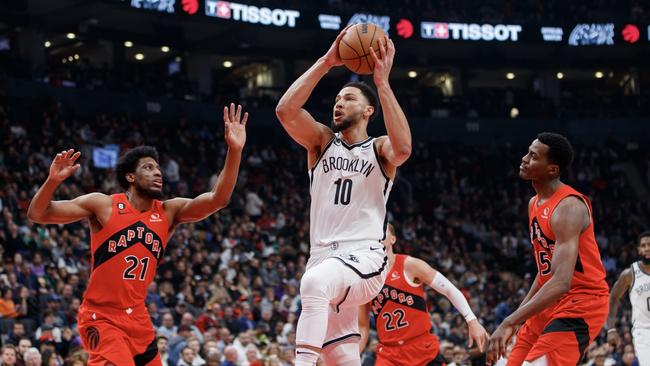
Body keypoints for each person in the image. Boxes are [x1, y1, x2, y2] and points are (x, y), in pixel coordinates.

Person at [27, 104, 249, 366]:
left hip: (139, 318)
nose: (158, 173)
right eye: (148, 168)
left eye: (158, 169)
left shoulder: (168, 212)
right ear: (130, 176)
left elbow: (218, 199)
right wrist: (52, 181)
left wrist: (234, 151)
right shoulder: (103, 205)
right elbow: (38, 214)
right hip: (102, 316)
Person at [275, 25, 412, 366]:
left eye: (348, 98)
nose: (339, 103)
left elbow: (404, 148)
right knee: (342, 356)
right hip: (323, 256)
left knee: (315, 282)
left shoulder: (378, 148)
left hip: (365, 257)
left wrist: (382, 84)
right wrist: (326, 61)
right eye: (336, 99)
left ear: (369, 111)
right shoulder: (321, 141)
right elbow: (285, 111)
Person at [487, 132, 610, 365]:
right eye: (527, 152)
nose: (524, 159)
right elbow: (545, 274)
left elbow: (562, 281)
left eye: (533, 156)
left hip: (581, 302)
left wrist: (509, 321)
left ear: (552, 170)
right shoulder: (533, 203)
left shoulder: (569, 207)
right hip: (550, 300)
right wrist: (519, 317)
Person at [358, 224, 489, 366]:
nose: (377, 236)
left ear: (393, 239)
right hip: (389, 355)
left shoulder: (410, 265)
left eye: (382, 232)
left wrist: (472, 320)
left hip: (422, 349)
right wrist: (350, 357)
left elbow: (449, 289)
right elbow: (362, 327)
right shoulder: (364, 279)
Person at [606, 230, 650, 364]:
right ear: (638, 250)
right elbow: (613, 298)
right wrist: (611, 329)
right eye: (643, 245)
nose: (647, 248)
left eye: (649, 244)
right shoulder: (629, 274)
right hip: (644, 332)